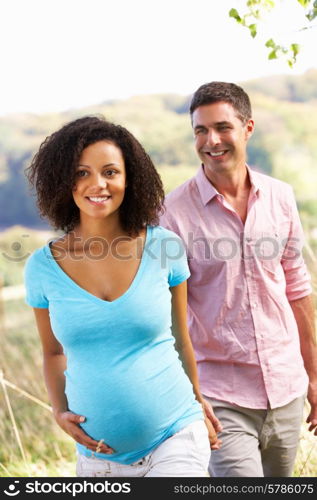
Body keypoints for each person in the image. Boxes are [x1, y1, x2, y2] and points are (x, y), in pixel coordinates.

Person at [24, 115, 221, 477]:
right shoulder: (42, 267)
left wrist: (197, 399)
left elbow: (181, 339)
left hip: (175, 434)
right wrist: (58, 410)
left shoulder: (164, 247)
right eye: (81, 173)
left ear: (130, 178)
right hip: (98, 457)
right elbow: (53, 353)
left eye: (110, 172)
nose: (97, 184)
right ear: (62, 180)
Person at [160, 81, 317, 477]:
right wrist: (189, 396)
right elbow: (167, 316)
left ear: (248, 128)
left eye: (222, 127)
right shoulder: (173, 214)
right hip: (220, 397)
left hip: (285, 388)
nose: (211, 140)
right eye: (200, 130)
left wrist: (314, 376)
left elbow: (297, 290)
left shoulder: (281, 197)